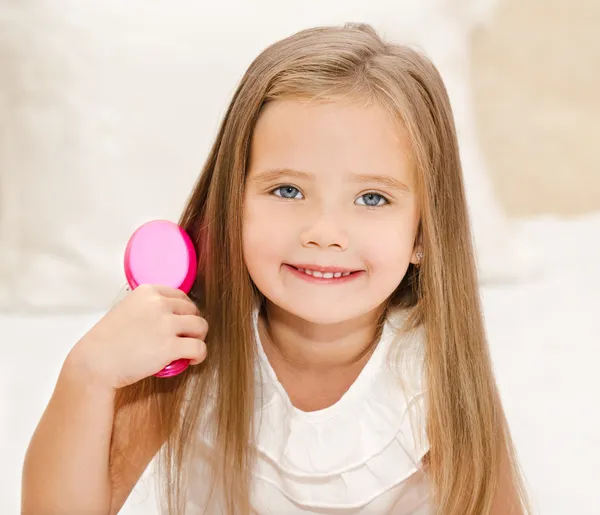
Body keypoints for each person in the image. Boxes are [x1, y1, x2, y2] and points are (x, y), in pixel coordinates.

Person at [21, 23, 530, 514]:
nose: (325, 231)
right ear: (233, 203)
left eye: (372, 198)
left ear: (423, 234)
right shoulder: (188, 348)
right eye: (287, 190)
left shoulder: (431, 374)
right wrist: (88, 375)